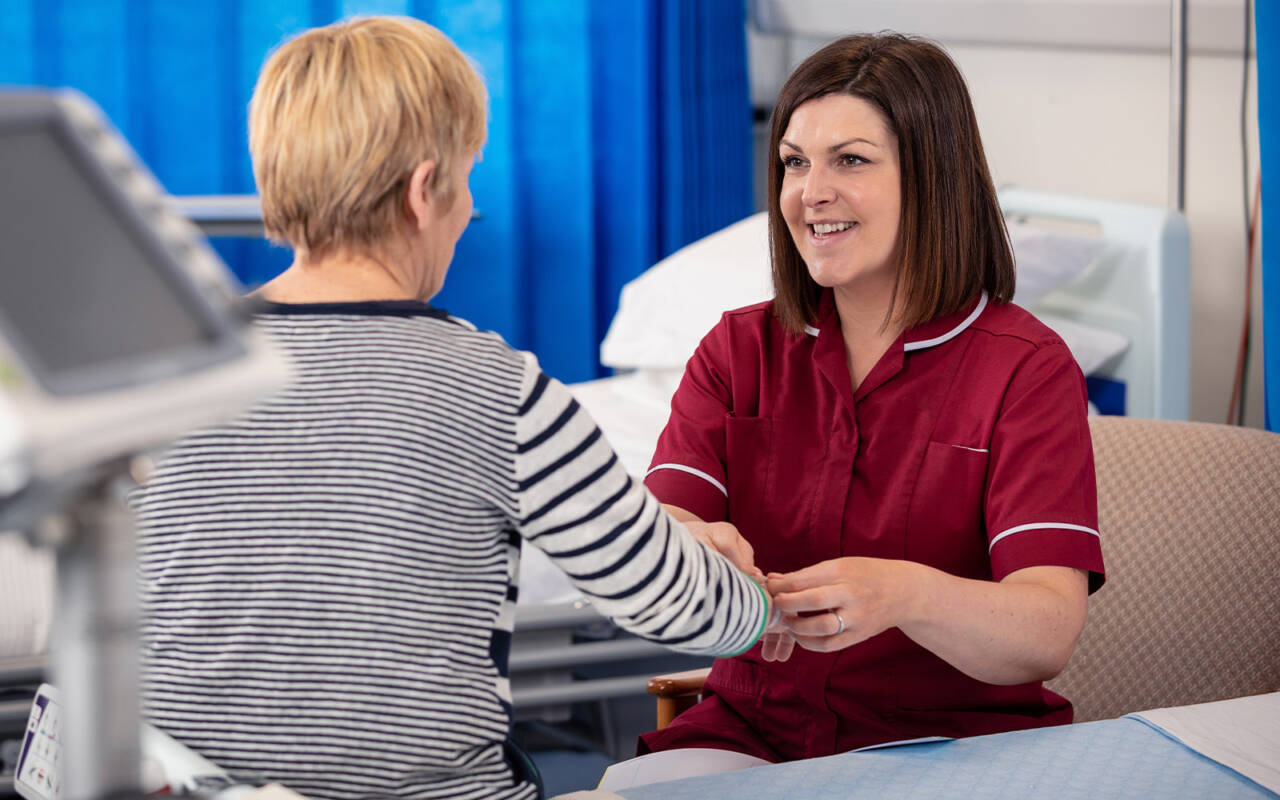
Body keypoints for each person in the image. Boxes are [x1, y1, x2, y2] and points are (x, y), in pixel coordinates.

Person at [132, 17, 772, 800]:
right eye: (468, 178)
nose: (469, 210)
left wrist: (650, 532)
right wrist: (751, 595)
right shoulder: (494, 388)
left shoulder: (160, 371)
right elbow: (686, 612)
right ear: (421, 190)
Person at [637, 33, 1105, 762]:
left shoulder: (1027, 370)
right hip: (754, 733)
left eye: (850, 160)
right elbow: (665, 521)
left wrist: (907, 596)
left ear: (932, 178)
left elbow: (1047, 632)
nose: (809, 192)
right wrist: (681, 546)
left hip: (955, 747)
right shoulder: (737, 351)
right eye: (794, 162)